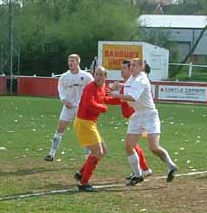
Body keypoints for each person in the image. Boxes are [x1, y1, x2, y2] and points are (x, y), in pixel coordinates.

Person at [110, 58, 177, 186]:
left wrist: (115, 95)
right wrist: (120, 86)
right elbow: (129, 86)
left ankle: (171, 166)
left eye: (134, 65)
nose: (131, 67)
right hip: (138, 115)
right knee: (129, 146)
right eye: (131, 65)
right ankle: (138, 175)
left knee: (154, 147)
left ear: (142, 67)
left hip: (149, 115)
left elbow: (132, 97)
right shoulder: (133, 78)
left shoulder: (142, 79)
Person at [105, 60, 152, 180]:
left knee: (132, 145)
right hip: (132, 117)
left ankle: (144, 170)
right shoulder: (127, 84)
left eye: (125, 68)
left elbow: (121, 99)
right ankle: (142, 170)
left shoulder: (133, 84)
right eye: (122, 68)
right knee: (133, 146)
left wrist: (104, 98)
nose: (122, 70)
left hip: (136, 116)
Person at [45, 54, 94, 161]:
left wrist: (89, 102)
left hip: (82, 108)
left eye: (73, 61)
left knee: (84, 131)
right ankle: (51, 154)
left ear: (78, 62)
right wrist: (64, 100)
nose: (70, 63)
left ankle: (87, 157)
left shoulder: (86, 76)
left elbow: (93, 89)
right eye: (69, 61)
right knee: (60, 129)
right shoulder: (64, 77)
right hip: (68, 107)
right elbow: (61, 89)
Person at [72, 66, 110, 192]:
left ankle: (81, 173)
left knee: (103, 150)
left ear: (106, 77)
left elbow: (106, 98)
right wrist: (102, 108)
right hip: (84, 123)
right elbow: (90, 104)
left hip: (89, 124)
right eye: (96, 74)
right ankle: (83, 183)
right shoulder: (90, 87)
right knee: (98, 152)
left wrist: (123, 100)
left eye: (101, 75)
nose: (98, 77)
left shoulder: (102, 88)